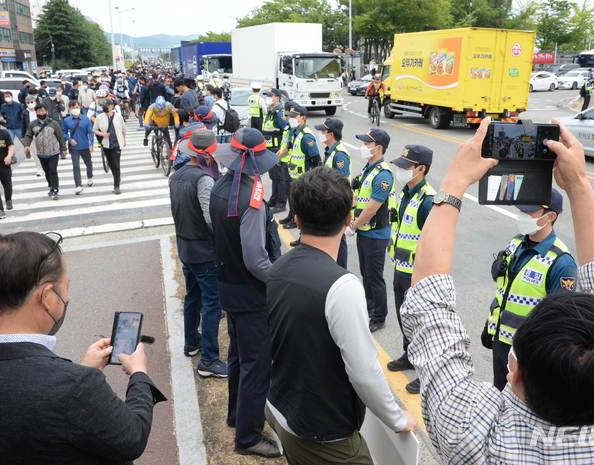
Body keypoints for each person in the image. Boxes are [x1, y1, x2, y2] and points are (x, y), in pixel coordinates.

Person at [400, 117, 594, 463]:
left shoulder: (476, 435)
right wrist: (579, 184)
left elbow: (430, 310)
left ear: (516, 372)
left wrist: (454, 181)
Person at [0, 231, 168, 464]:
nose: (67, 296)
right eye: (65, 287)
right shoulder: (74, 386)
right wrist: (139, 375)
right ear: (47, 297)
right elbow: (133, 438)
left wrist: (83, 371)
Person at [265, 166, 417, 464]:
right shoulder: (342, 286)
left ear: (296, 220)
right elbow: (364, 373)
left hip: (279, 408)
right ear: (349, 219)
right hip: (322, 433)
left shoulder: (279, 267)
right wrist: (398, 419)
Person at [209, 128, 283, 459]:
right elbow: (256, 259)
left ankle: (236, 416)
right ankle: (249, 436)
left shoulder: (220, 185)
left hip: (228, 285)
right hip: (253, 293)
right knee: (257, 367)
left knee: (239, 358)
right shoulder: (251, 195)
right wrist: (277, 280)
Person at [482, 188, 577, 390]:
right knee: (499, 397)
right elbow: (505, 290)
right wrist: (491, 324)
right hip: (500, 341)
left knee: (520, 409)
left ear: (550, 216)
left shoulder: (561, 263)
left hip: (525, 353)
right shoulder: (516, 243)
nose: (521, 216)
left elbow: (559, 321)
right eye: (521, 211)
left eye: (529, 212)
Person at [168, 129, 227, 377]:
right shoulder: (204, 179)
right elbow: (209, 217)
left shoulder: (176, 175)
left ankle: (191, 342)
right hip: (204, 250)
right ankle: (209, 360)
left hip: (185, 247)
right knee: (212, 303)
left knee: (192, 296)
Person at [385, 144, 435, 394]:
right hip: (400, 269)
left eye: (406, 167)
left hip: (417, 276)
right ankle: (409, 354)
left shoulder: (429, 201)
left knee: (421, 324)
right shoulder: (405, 193)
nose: (401, 170)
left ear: (421, 169)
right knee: (404, 319)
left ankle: (425, 372)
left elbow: (434, 244)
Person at [348, 128, 396, 333]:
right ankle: (370, 307)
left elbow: (372, 208)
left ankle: (379, 316)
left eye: (367, 144)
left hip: (376, 234)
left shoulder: (383, 175)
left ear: (378, 148)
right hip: (364, 231)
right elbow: (358, 198)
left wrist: (353, 225)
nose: (363, 147)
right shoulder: (369, 169)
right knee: (365, 273)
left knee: (374, 276)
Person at [278, 104, 320, 240]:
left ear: (303, 118)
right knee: (299, 208)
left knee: (304, 210)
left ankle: (304, 238)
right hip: (296, 177)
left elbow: (316, 160)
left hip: (304, 179)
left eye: (294, 117)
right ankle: (302, 237)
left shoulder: (306, 136)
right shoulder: (296, 132)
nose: (290, 119)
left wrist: (312, 179)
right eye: (290, 116)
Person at [314, 117, 351, 268]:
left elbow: (344, 182)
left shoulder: (339, 154)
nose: (320, 133)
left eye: (323, 131)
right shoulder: (331, 151)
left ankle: (340, 269)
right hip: (329, 202)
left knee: (338, 239)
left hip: (336, 203)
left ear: (331, 134)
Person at [23, 102, 67, 200]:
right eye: (38, 111)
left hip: (53, 152)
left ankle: (55, 189)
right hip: (41, 153)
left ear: (46, 112)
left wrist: (63, 149)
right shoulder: (33, 124)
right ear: (36, 112)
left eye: (42, 111)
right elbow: (28, 135)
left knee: (52, 171)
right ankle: (51, 186)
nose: (41, 113)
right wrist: (26, 145)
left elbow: (60, 136)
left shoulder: (53, 123)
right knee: (47, 172)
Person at [262, 89, 288, 214]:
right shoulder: (270, 112)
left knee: (280, 177)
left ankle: (281, 203)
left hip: (277, 150)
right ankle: (273, 199)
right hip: (269, 150)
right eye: (266, 95)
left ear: (277, 98)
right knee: (273, 177)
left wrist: (282, 151)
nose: (267, 97)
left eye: (270, 96)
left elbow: (286, 132)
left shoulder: (279, 114)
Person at [93, 98, 127, 194]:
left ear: (111, 106)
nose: (104, 107)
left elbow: (124, 130)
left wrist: (124, 140)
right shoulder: (99, 117)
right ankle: (117, 177)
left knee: (116, 164)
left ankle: (116, 185)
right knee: (111, 164)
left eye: (106, 106)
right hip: (106, 144)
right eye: (103, 106)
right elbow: (94, 130)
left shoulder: (118, 117)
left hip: (116, 144)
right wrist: (102, 134)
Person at [62, 100, 95, 195]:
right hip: (74, 148)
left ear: (80, 108)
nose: (75, 109)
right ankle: (78, 185)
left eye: (77, 107)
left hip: (85, 146)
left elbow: (90, 132)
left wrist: (91, 144)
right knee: (76, 166)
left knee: (88, 164)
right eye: (73, 107)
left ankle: (89, 177)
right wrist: (69, 139)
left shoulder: (86, 119)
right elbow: (64, 132)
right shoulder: (67, 120)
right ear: (69, 109)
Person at [21, 95, 45, 177]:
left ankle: (45, 166)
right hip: (31, 136)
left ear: (35, 102)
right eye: (28, 102)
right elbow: (23, 125)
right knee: (35, 153)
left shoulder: (40, 111)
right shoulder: (25, 113)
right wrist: (23, 136)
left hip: (42, 135)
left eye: (31, 102)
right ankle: (40, 169)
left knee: (43, 151)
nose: (30, 104)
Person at [0, 91, 23, 164]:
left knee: (23, 141)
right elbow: (1, 112)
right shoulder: (3, 106)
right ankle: (13, 157)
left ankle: (28, 151)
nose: (7, 98)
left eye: (8, 96)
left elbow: (24, 113)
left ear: (12, 97)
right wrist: (1, 116)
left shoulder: (18, 105)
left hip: (18, 126)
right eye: (5, 97)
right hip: (9, 127)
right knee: (9, 143)